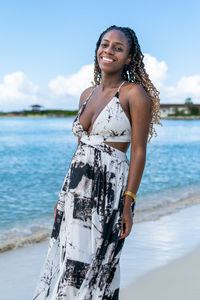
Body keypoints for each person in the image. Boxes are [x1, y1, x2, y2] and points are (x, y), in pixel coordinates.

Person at [33, 25, 162, 300]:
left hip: (108, 192)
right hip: (76, 190)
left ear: (129, 57)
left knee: (98, 268)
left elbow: (138, 152)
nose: (109, 51)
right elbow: (80, 149)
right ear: (97, 49)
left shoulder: (134, 94)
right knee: (70, 265)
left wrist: (128, 203)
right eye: (105, 44)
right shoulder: (86, 94)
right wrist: (62, 196)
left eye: (118, 48)